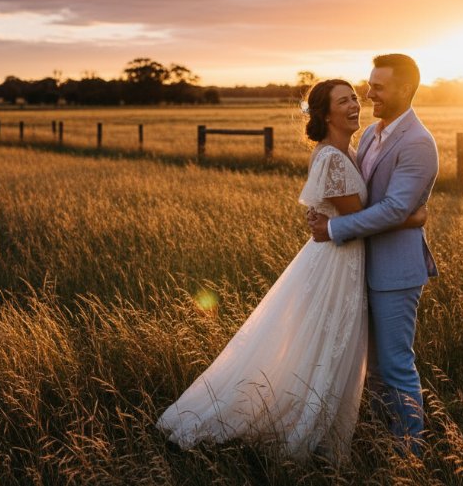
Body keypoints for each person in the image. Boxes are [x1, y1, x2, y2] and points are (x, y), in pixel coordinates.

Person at [156, 79, 426, 463]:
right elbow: (361, 218)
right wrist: (413, 217)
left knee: (331, 347)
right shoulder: (332, 157)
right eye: (344, 101)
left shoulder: (349, 147)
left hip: (345, 259)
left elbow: (359, 212)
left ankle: (327, 424)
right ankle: (301, 429)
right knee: (321, 347)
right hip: (336, 262)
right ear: (325, 114)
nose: (355, 105)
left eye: (355, 97)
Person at [308, 54, 439, 456]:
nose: (369, 94)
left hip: (396, 272)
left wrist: (331, 229)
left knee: (396, 366)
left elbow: (395, 208)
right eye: (369, 85)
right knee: (375, 371)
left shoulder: (418, 142)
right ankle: (385, 441)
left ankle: (410, 455)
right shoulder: (369, 135)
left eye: (378, 87)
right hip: (357, 266)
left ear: (405, 89)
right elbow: (362, 199)